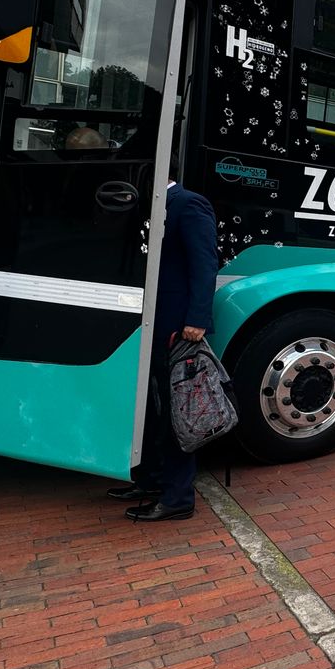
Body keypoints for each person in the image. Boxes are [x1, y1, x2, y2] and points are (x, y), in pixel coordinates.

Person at [106, 173, 220, 521]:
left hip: (177, 326)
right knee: (151, 406)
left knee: (176, 409)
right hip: (150, 322)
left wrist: (197, 319)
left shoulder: (188, 204)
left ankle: (178, 496)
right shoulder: (151, 206)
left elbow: (205, 264)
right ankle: (151, 478)